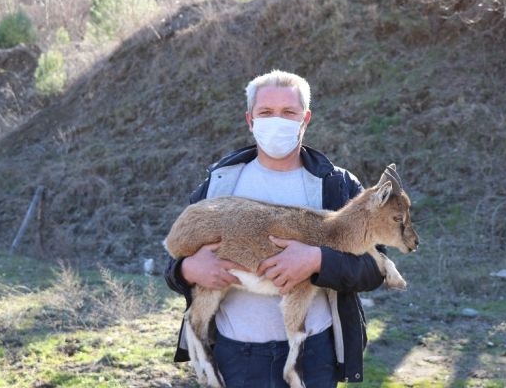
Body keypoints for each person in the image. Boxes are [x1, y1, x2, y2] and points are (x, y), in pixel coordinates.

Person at [164, 70, 388, 387]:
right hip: (235, 356)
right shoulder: (218, 185)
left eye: (288, 113)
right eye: (266, 112)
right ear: (250, 119)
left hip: (312, 354)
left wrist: (318, 261)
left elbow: (373, 268)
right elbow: (173, 264)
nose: (276, 121)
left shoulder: (335, 187)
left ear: (305, 118)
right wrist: (187, 269)